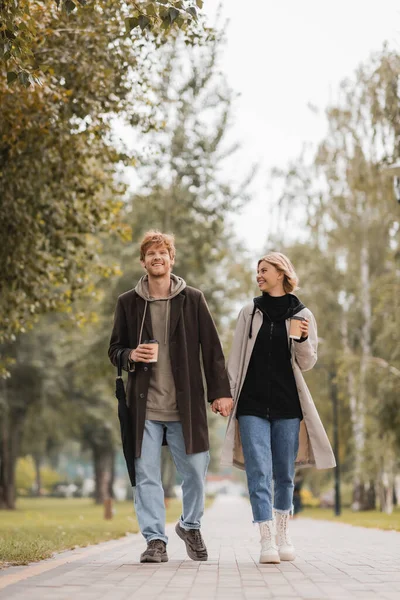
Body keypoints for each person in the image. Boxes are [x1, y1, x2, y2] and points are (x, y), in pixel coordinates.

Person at [108, 230, 232, 564]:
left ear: (171, 258)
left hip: (186, 406)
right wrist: (132, 355)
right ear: (143, 261)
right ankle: (155, 540)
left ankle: (189, 525)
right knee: (146, 475)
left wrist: (221, 393)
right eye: (151, 254)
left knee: (194, 471)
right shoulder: (128, 303)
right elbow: (114, 350)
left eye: (163, 253)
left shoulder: (193, 299)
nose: (157, 258)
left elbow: (213, 350)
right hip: (144, 407)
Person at [220, 252, 335, 564]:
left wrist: (302, 338)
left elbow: (307, 362)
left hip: (287, 405)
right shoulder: (249, 312)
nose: (259, 275)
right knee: (258, 471)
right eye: (257, 271)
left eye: (264, 270)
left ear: (281, 273)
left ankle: (284, 534)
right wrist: (227, 396)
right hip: (251, 404)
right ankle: (266, 539)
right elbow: (235, 359)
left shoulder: (302, 314)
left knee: (284, 472)